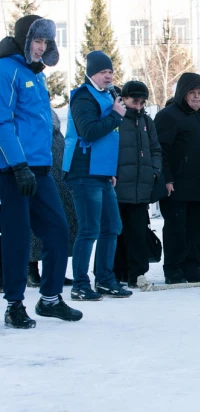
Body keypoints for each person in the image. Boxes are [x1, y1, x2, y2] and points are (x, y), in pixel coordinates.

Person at [0, 15, 82, 327]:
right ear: (24, 39)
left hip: (41, 168)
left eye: (46, 42)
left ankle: (49, 299)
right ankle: (14, 304)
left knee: (58, 231)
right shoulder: (6, 69)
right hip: (14, 170)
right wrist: (18, 166)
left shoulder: (38, 74)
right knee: (18, 238)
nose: (41, 47)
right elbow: (2, 122)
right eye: (37, 41)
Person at [63, 50, 132, 300]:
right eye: (103, 72)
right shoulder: (83, 96)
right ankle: (81, 284)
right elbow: (88, 131)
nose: (108, 76)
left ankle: (104, 279)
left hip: (101, 173)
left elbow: (108, 137)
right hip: (82, 171)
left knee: (112, 226)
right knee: (89, 228)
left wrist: (110, 171)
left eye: (110, 72)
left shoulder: (107, 97)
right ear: (91, 72)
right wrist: (115, 115)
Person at [155, 73, 200, 284]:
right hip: (177, 186)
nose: (197, 97)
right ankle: (173, 270)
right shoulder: (168, 116)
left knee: (197, 230)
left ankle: (192, 268)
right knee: (176, 230)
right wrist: (167, 178)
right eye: (192, 93)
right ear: (183, 94)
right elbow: (160, 151)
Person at [112, 81, 162, 288]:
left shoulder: (147, 122)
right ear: (123, 99)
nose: (138, 106)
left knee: (138, 233)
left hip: (141, 188)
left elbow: (155, 149)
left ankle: (137, 275)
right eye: (135, 101)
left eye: (142, 102)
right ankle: (113, 274)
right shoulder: (114, 119)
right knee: (116, 233)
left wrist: (155, 172)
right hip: (117, 186)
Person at [28, 108, 77, 288]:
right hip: (36, 177)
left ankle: (56, 271)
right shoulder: (27, 119)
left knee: (60, 226)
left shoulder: (54, 125)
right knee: (34, 226)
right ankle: (31, 269)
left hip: (60, 180)